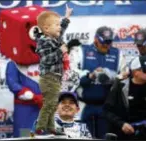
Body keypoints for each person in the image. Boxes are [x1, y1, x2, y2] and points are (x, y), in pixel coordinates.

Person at [77, 26, 127, 138]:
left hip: (107, 109)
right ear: (95, 39)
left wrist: (113, 77)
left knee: (106, 138)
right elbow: (71, 76)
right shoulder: (81, 51)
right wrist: (90, 75)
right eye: (103, 42)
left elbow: (124, 77)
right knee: (84, 138)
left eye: (109, 42)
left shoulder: (117, 54)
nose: (106, 45)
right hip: (85, 105)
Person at [34, 4, 73, 135]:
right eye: (56, 25)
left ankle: (51, 127)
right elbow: (46, 60)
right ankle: (40, 127)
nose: (59, 27)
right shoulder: (43, 41)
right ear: (46, 28)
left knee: (52, 103)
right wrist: (60, 52)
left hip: (54, 78)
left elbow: (62, 29)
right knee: (50, 103)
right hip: (48, 78)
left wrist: (67, 17)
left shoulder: (54, 37)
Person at [103, 56, 146, 140]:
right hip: (122, 135)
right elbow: (107, 111)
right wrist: (121, 124)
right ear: (135, 72)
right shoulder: (120, 88)